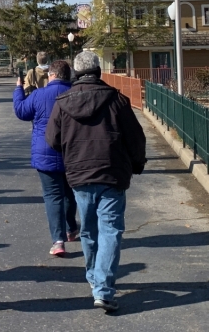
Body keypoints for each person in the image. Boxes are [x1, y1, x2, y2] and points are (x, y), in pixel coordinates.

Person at [46, 50, 147, 314]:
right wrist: (137, 164)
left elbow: (52, 140)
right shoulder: (117, 101)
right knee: (111, 231)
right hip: (112, 174)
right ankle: (102, 287)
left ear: (77, 74)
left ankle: (95, 278)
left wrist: (71, 152)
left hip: (79, 175)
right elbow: (136, 138)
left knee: (89, 230)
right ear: (99, 73)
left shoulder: (62, 102)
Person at [13, 59, 78, 257]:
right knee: (69, 192)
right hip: (72, 151)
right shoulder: (76, 94)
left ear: (52, 75)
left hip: (46, 151)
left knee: (52, 195)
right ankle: (71, 228)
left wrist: (18, 90)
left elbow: (21, 111)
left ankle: (58, 241)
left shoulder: (39, 95)